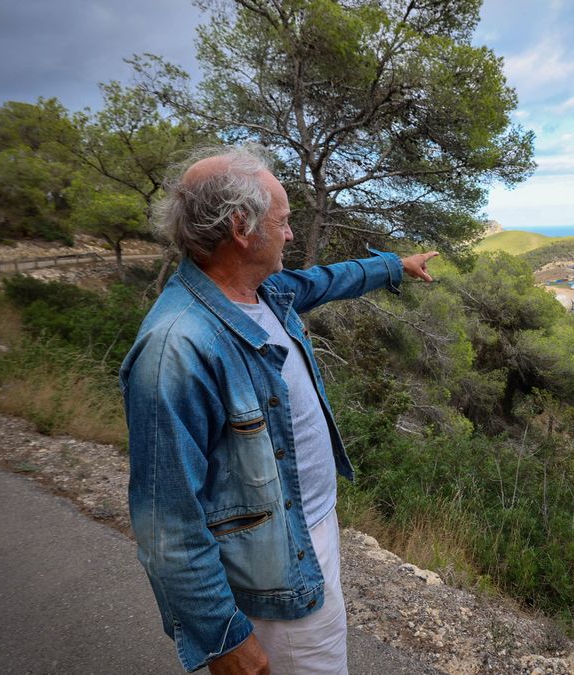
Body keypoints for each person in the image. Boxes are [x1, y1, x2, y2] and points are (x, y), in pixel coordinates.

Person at [119, 144, 437, 674]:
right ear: (242, 227)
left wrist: (393, 267)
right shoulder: (178, 347)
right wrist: (222, 638)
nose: (290, 234)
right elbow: (166, 523)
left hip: (305, 531)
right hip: (269, 566)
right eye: (284, 221)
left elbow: (326, 280)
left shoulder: (262, 292)